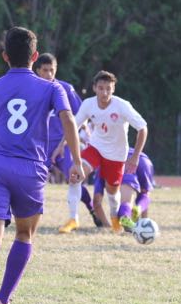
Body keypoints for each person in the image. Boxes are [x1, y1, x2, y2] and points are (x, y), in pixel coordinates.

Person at [0, 26, 84, 304]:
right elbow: (69, 119)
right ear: (35, 56)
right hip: (31, 168)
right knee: (24, 234)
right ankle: (2, 300)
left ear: (5, 56)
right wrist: (77, 162)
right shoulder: (51, 88)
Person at [57, 70, 148, 234]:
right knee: (75, 174)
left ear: (113, 89)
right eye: (101, 88)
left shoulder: (122, 106)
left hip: (117, 155)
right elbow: (73, 126)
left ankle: (114, 219)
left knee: (112, 192)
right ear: (94, 88)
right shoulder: (88, 104)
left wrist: (134, 157)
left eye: (108, 88)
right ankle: (73, 219)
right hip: (96, 148)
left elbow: (143, 128)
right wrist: (60, 145)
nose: (104, 92)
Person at [33, 53, 99, 226]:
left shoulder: (65, 89)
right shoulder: (31, 89)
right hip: (39, 145)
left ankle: (91, 209)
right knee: (29, 180)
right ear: (37, 70)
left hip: (64, 144)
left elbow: (81, 114)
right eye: (45, 70)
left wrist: (77, 135)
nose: (48, 74)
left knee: (75, 177)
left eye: (52, 70)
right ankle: (28, 217)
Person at [93, 148, 156, 230]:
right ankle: (139, 209)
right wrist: (144, 222)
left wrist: (107, 225)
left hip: (122, 161)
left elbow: (96, 202)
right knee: (145, 194)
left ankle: (125, 216)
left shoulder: (101, 167)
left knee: (126, 203)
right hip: (143, 160)